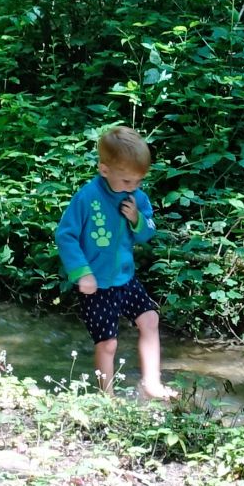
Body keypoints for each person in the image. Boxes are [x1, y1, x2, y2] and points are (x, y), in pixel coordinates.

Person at [55, 126, 176, 400]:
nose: (132, 187)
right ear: (104, 170)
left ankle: (151, 383)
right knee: (108, 343)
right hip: (96, 284)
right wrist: (82, 273)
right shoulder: (87, 197)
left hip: (125, 278)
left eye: (138, 181)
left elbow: (147, 233)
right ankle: (106, 397)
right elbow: (66, 235)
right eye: (126, 181)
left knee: (150, 319)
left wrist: (137, 218)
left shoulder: (137, 198)